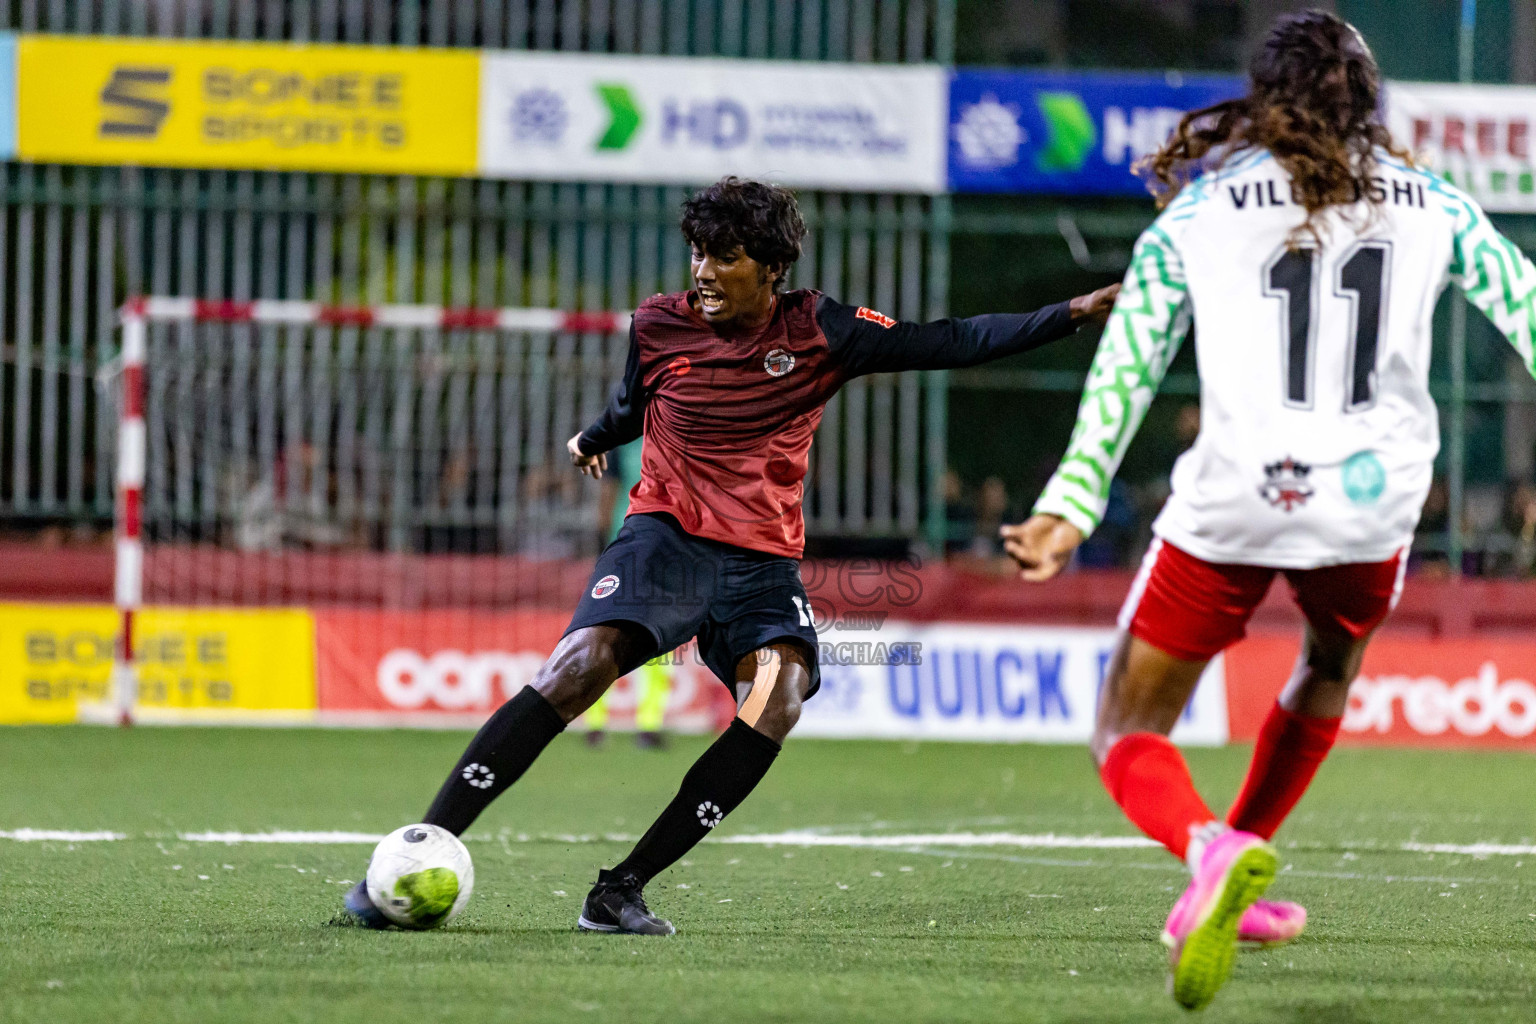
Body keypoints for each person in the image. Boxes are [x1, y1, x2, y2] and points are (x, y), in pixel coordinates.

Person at [346, 176, 1120, 935]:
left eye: (726, 258)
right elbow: (634, 403)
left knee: (779, 697)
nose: (705, 273)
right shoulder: (656, 324)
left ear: (773, 268)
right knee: (579, 665)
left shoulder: (822, 329)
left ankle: (619, 890)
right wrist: (593, 437)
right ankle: (419, 845)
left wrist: (1072, 313)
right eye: (699, 254)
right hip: (666, 537)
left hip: (761, 563)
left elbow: (947, 341)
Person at [1001, 11, 1535, 1011]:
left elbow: (1130, 363)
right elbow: (1529, 312)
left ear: (1265, 97)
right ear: (1369, 99)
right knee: (1330, 665)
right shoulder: (1437, 204)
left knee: (1124, 723)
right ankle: (1240, 856)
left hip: (1238, 495)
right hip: (1374, 508)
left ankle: (1210, 851)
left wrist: (1071, 501)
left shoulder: (1199, 212)